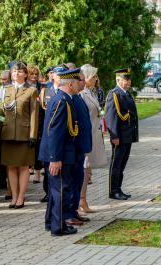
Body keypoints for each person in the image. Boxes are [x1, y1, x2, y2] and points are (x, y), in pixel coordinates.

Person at [39, 68, 82, 236]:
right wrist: (55, 159)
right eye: (78, 82)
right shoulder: (61, 101)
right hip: (59, 155)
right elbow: (54, 132)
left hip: (61, 153)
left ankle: (51, 222)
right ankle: (59, 227)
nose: (80, 85)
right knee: (61, 191)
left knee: (55, 190)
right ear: (70, 84)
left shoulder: (64, 98)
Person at [0, 62, 39, 208]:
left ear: (25, 74)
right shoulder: (5, 90)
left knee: (23, 167)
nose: (16, 73)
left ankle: (21, 197)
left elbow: (34, 115)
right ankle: (14, 196)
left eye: (20, 71)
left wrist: (33, 136)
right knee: (10, 166)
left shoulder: (31, 91)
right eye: (14, 71)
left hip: (24, 135)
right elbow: (0, 112)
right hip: (8, 133)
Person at [105, 68, 138, 200]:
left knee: (122, 164)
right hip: (120, 136)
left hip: (128, 135)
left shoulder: (126, 94)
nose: (128, 82)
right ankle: (113, 190)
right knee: (116, 164)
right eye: (126, 80)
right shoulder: (114, 94)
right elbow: (111, 117)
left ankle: (118, 188)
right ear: (118, 80)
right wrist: (114, 136)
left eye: (129, 79)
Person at [64, 69, 92, 226]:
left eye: (82, 79)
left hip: (80, 148)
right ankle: (69, 213)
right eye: (80, 80)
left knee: (78, 180)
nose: (83, 82)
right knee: (72, 182)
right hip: (74, 149)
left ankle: (74, 211)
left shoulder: (78, 97)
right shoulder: (71, 99)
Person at [79, 64, 108, 212]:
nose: (96, 79)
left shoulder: (91, 92)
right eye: (93, 77)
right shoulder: (82, 94)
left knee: (88, 171)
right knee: (84, 170)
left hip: (94, 135)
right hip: (86, 136)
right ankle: (80, 201)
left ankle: (83, 199)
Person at [38, 65, 69, 203]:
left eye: (62, 75)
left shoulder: (65, 94)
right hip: (48, 133)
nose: (58, 77)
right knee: (49, 170)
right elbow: (42, 114)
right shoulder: (46, 91)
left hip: (58, 136)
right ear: (52, 76)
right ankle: (47, 192)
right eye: (56, 74)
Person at [27, 64, 44, 184]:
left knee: (38, 147)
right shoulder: (24, 87)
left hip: (40, 120)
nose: (34, 76)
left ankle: (37, 173)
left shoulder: (42, 87)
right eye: (31, 74)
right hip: (26, 121)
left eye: (36, 74)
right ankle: (28, 169)